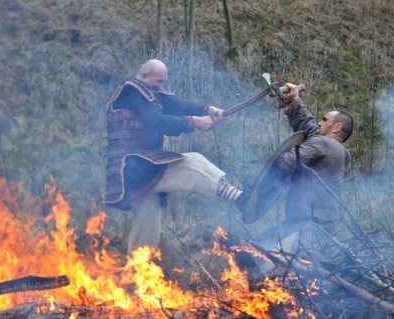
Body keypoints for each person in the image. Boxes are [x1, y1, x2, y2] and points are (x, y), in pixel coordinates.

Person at [103, 59, 243, 252]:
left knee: (148, 222)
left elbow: (179, 105)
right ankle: (239, 198)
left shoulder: (151, 92)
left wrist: (208, 110)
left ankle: (136, 275)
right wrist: (195, 122)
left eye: (163, 82)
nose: (161, 87)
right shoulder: (133, 90)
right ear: (144, 76)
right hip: (133, 167)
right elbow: (157, 122)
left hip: (140, 166)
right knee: (192, 163)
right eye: (159, 81)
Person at [250, 83, 354, 258]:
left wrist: (266, 187)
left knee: (262, 261)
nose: (320, 122)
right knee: (257, 246)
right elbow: (310, 129)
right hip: (312, 228)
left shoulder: (324, 144)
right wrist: (295, 101)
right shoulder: (335, 150)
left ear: (337, 128)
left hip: (307, 230)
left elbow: (289, 160)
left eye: (325, 120)